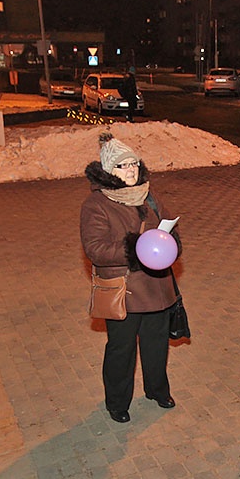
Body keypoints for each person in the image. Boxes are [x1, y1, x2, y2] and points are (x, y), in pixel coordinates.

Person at [81, 132, 181, 423]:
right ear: (109, 171)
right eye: (123, 166)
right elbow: (95, 249)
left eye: (134, 164)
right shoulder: (97, 204)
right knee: (121, 349)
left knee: (156, 344)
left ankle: (157, 390)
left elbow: (169, 228)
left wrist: (171, 239)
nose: (130, 171)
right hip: (124, 290)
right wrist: (135, 250)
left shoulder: (149, 195)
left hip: (157, 287)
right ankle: (117, 401)